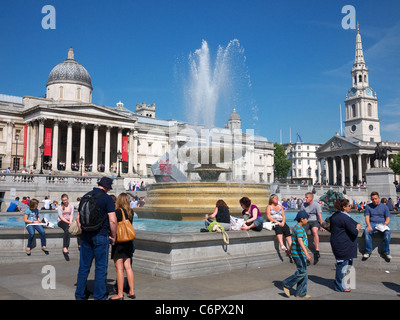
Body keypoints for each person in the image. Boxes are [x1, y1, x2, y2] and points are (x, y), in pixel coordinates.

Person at [75, 177, 117, 300]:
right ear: (108, 188)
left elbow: (78, 219)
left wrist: (83, 230)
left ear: (99, 184)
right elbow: (113, 221)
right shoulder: (107, 198)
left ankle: (80, 295)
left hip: (86, 236)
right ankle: (99, 296)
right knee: (100, 267)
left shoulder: (85, 196)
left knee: (83, 267)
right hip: (101, 235)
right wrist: (113, 236)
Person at [330, 199, 361, 292]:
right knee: (342, 265)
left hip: (339, 242)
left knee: (343, 264)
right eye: (349, 206)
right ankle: (339, 286)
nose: (350, 207)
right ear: (344, 207)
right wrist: (358, 227)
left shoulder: (336, 215)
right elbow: (354, 231)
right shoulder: (344, 217)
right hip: (343, 244)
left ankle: (340, 283)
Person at [109, 193, 136, 300]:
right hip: (129, 241)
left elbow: (113, 224)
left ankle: (120, 294)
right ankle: (131, 291)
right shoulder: (131, 212)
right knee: (128, 267)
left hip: (119, 241)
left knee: (119, 269)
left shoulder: (118, 212)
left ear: (119, 201)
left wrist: (112, 236)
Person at [282, 211, 312, 298]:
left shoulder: (297, 227)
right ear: (302, 219)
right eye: (307, 218)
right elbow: (299, 240)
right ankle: (286, 283)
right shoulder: (299, 228)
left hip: (298, 253)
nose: (307, 220)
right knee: (302, 272)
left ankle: (301, 293)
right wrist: (307, 253)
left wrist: (289, 251)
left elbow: (293, 242)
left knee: (304, 273)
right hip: (299, 254)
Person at [363, 191, 391, 262]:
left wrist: (385, 224)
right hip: (372, 223)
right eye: (373, 199)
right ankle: (368, 251)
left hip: (382, 224)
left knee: (387, 233)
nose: (374, 201)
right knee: (366, 231)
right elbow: (367, 217)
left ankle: (386, 252)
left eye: (375, 199)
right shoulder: (368, 206)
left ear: (379, 198)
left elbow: (388, 218)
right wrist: (368, 226)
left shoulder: (384, 207)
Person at [300, 192, 325, 264]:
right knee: (303, 233)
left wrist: (322, 225)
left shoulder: (316, 205)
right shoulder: (303, 205)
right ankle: (305, 252)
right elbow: (301, 215)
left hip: (314, 221)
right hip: (306, 222)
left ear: (311, 198)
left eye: (307, 197)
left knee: (314, 231)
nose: (305, 199)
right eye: (305, 197)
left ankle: (317, 250)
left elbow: (319, 216)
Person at [57, 194, 74, 261]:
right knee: (67, 229)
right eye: (63, 200)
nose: (64, 201)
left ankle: (79, 245)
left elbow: (71, 215)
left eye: (65, 200)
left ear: (68, 199)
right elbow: (61, 217)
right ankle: (65, 247)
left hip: (68, 221)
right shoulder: (59, 207)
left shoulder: (71, 206)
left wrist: (71, 221)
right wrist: (68, 223)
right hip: (61, 221)